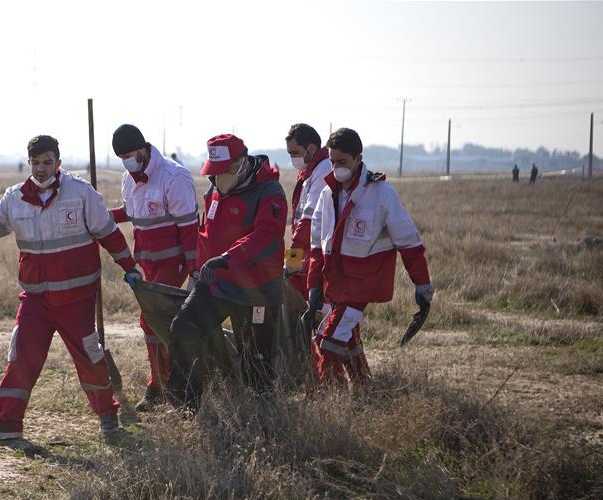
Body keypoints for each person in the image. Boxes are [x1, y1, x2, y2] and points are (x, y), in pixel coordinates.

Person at [0, 135, 142, 440]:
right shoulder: (15, 197)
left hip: (76, 299)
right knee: (21, 356)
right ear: (28, 163)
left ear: (58, 163)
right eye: (35, 163)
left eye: (47, 162)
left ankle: (107, 416)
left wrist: (130, 268)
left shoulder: (81, 193)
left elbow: (109, 234)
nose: (41, 168)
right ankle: (8, 422)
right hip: (35, 299)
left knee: (90, 358)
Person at [166, 134, 287, 408]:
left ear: (242, 163)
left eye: (223, 170)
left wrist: (227, 257)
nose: (218, 177)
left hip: (257, 291)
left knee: (255, 360)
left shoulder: (270, 192)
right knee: (184, 327)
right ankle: (186, 407)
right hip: (216, 283)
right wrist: (198, 270)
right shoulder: (215, 190)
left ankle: (263, 419)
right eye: (214, 171)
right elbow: (207, 235)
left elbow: (267, 236)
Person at [307, 128, 434, 387]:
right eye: (332, 162)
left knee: (328, 342)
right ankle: (366, 390)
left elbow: (409, 243)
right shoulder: (326, 195)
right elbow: (316, 246)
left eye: (342, 162)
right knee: (348, 339)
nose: (336, 168)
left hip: (362, 285)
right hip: (337, 285)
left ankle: (328, 404)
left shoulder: (382, 194)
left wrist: (422, 285)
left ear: (358, 158)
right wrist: (314, 286)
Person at [109, 124, 199, 412]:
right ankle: (162, 382)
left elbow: (189, 228)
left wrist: (195, 269)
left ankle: (165, 385)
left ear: (144, 148)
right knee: (153, 322)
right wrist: (101, 216)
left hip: (173, 262)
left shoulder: (174, 177)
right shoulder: (128, 178)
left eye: (130, 154)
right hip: (146, 262)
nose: (127, 160)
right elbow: (131, 212)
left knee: (154, 321)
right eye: (121, 156)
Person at [285, 123, 331, 298]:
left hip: (320, 253)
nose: (292, 159)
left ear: (310, 149)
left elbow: (308, 221)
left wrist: (292, 259)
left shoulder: (323, 171)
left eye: (294, 153)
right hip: (310, 251)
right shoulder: (308, 171)